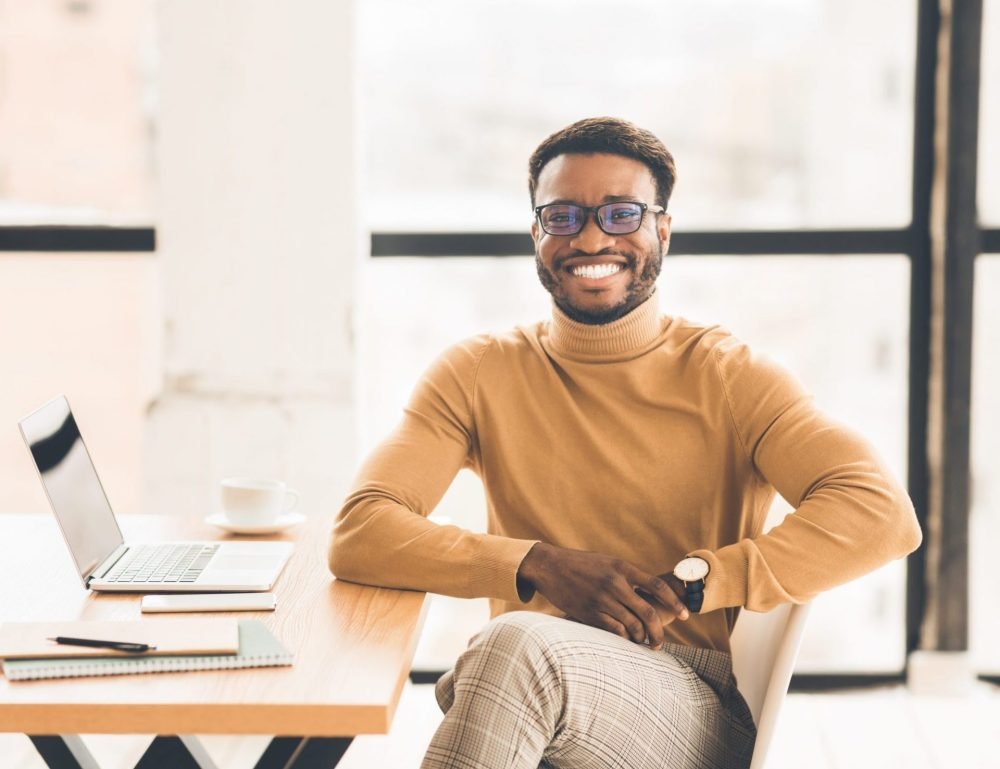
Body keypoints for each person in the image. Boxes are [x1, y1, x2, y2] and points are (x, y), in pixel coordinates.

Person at [329, 116, 922, 769]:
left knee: (509, 648)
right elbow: (362, 530)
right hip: (522, 673)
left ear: (661, 229)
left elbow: (880, 512)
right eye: (563, 215)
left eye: (621, 214)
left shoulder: (731, 376)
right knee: (512, 650)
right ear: (536, 231)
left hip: (688, 696)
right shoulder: (477, 372)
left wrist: (695, 583)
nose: (590, 237)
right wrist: (538, 563)